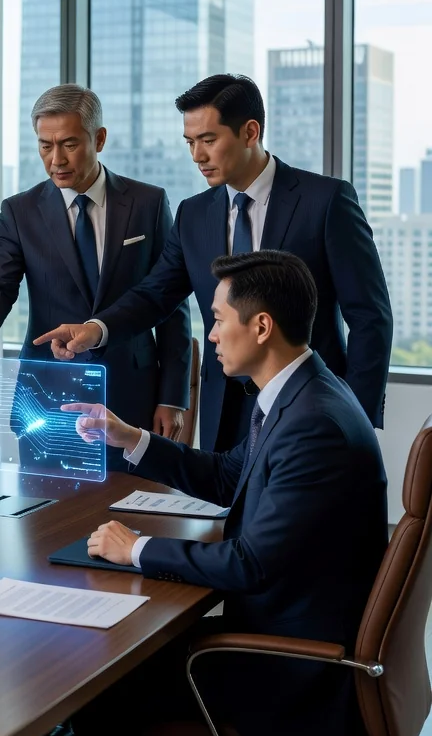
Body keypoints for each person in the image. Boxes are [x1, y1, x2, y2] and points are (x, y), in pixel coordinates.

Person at [62, 251, 388, 736]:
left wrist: (136, 548)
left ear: (261, 326)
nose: (210, 334)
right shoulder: (302, 395)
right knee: (133, 670)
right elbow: (226, 476)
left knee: (103, 694)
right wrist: (132, 438)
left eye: (217, 318)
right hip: (286, 635)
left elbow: (251, 562)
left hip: (294, 673)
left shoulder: (314, 425)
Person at [36, 73, 393, 452]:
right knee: (227, 509)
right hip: (223, 412)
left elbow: (370, 317)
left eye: (208, 140)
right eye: (190, 142)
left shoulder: (326, 201)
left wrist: (355, 413)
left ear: (250, 132)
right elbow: (155, 295)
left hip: (312, 405)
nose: (197, 155)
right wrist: (97, 329)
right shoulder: (193, 214)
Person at [0, 84, 192, 456]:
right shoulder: (21, 211)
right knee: (43, 510)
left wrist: (172, 397)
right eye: (44, 145)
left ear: (98, 138)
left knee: (135, 507)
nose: (56, 159)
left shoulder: (147, 203)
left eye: (69, 144)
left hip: (132, 393)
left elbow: (172, 303)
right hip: (45, 396)